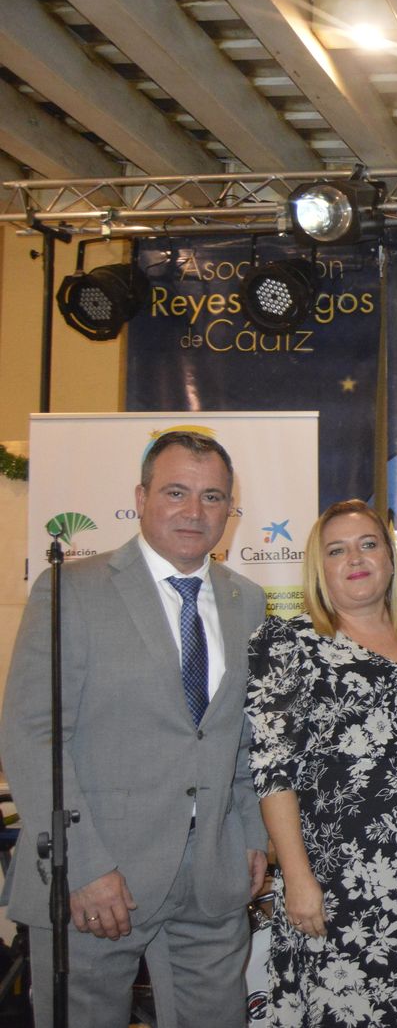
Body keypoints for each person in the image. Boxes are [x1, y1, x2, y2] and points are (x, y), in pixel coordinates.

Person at [1, 430, 268, 1027]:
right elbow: (33, 737)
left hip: (213, 875)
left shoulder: (246, 600)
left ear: (230, 508)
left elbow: (243, 736)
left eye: (212, 497)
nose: (194, 511)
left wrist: (251, 834)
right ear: (141, 497)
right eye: (176, 492)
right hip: (98, 879)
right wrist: (85, 866)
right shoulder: (70, 589)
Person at [246, 499, 397, 1025]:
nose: (356, 559)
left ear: (391, 557)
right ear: (318, 567)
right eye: (336, 550)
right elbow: (273, 772)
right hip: (334, 882)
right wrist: (297, 877)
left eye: (368, 545)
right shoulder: (289, 643)